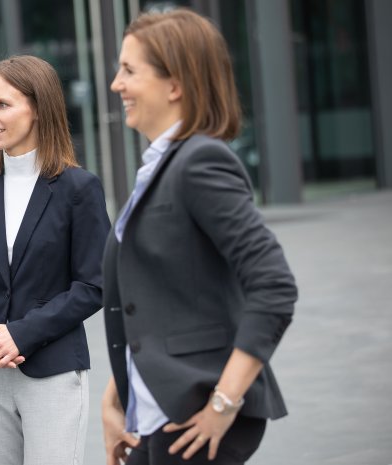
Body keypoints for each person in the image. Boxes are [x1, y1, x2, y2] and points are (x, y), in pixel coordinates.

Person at [100, 9, 298, 465]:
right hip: (155, 414)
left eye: (129, 70)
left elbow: (274, 284)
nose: (116, 84)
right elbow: (158, 296)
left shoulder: (201, 163)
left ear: (176, 85)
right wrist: (117, 399)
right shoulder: (161, 165)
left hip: (193, 417)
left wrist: (223, 405)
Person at [0, 55, 110, 465]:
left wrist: (22, 334)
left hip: (51, 370)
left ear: (38, 108)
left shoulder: (78, 188)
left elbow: (94, 285)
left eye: (2, 105)